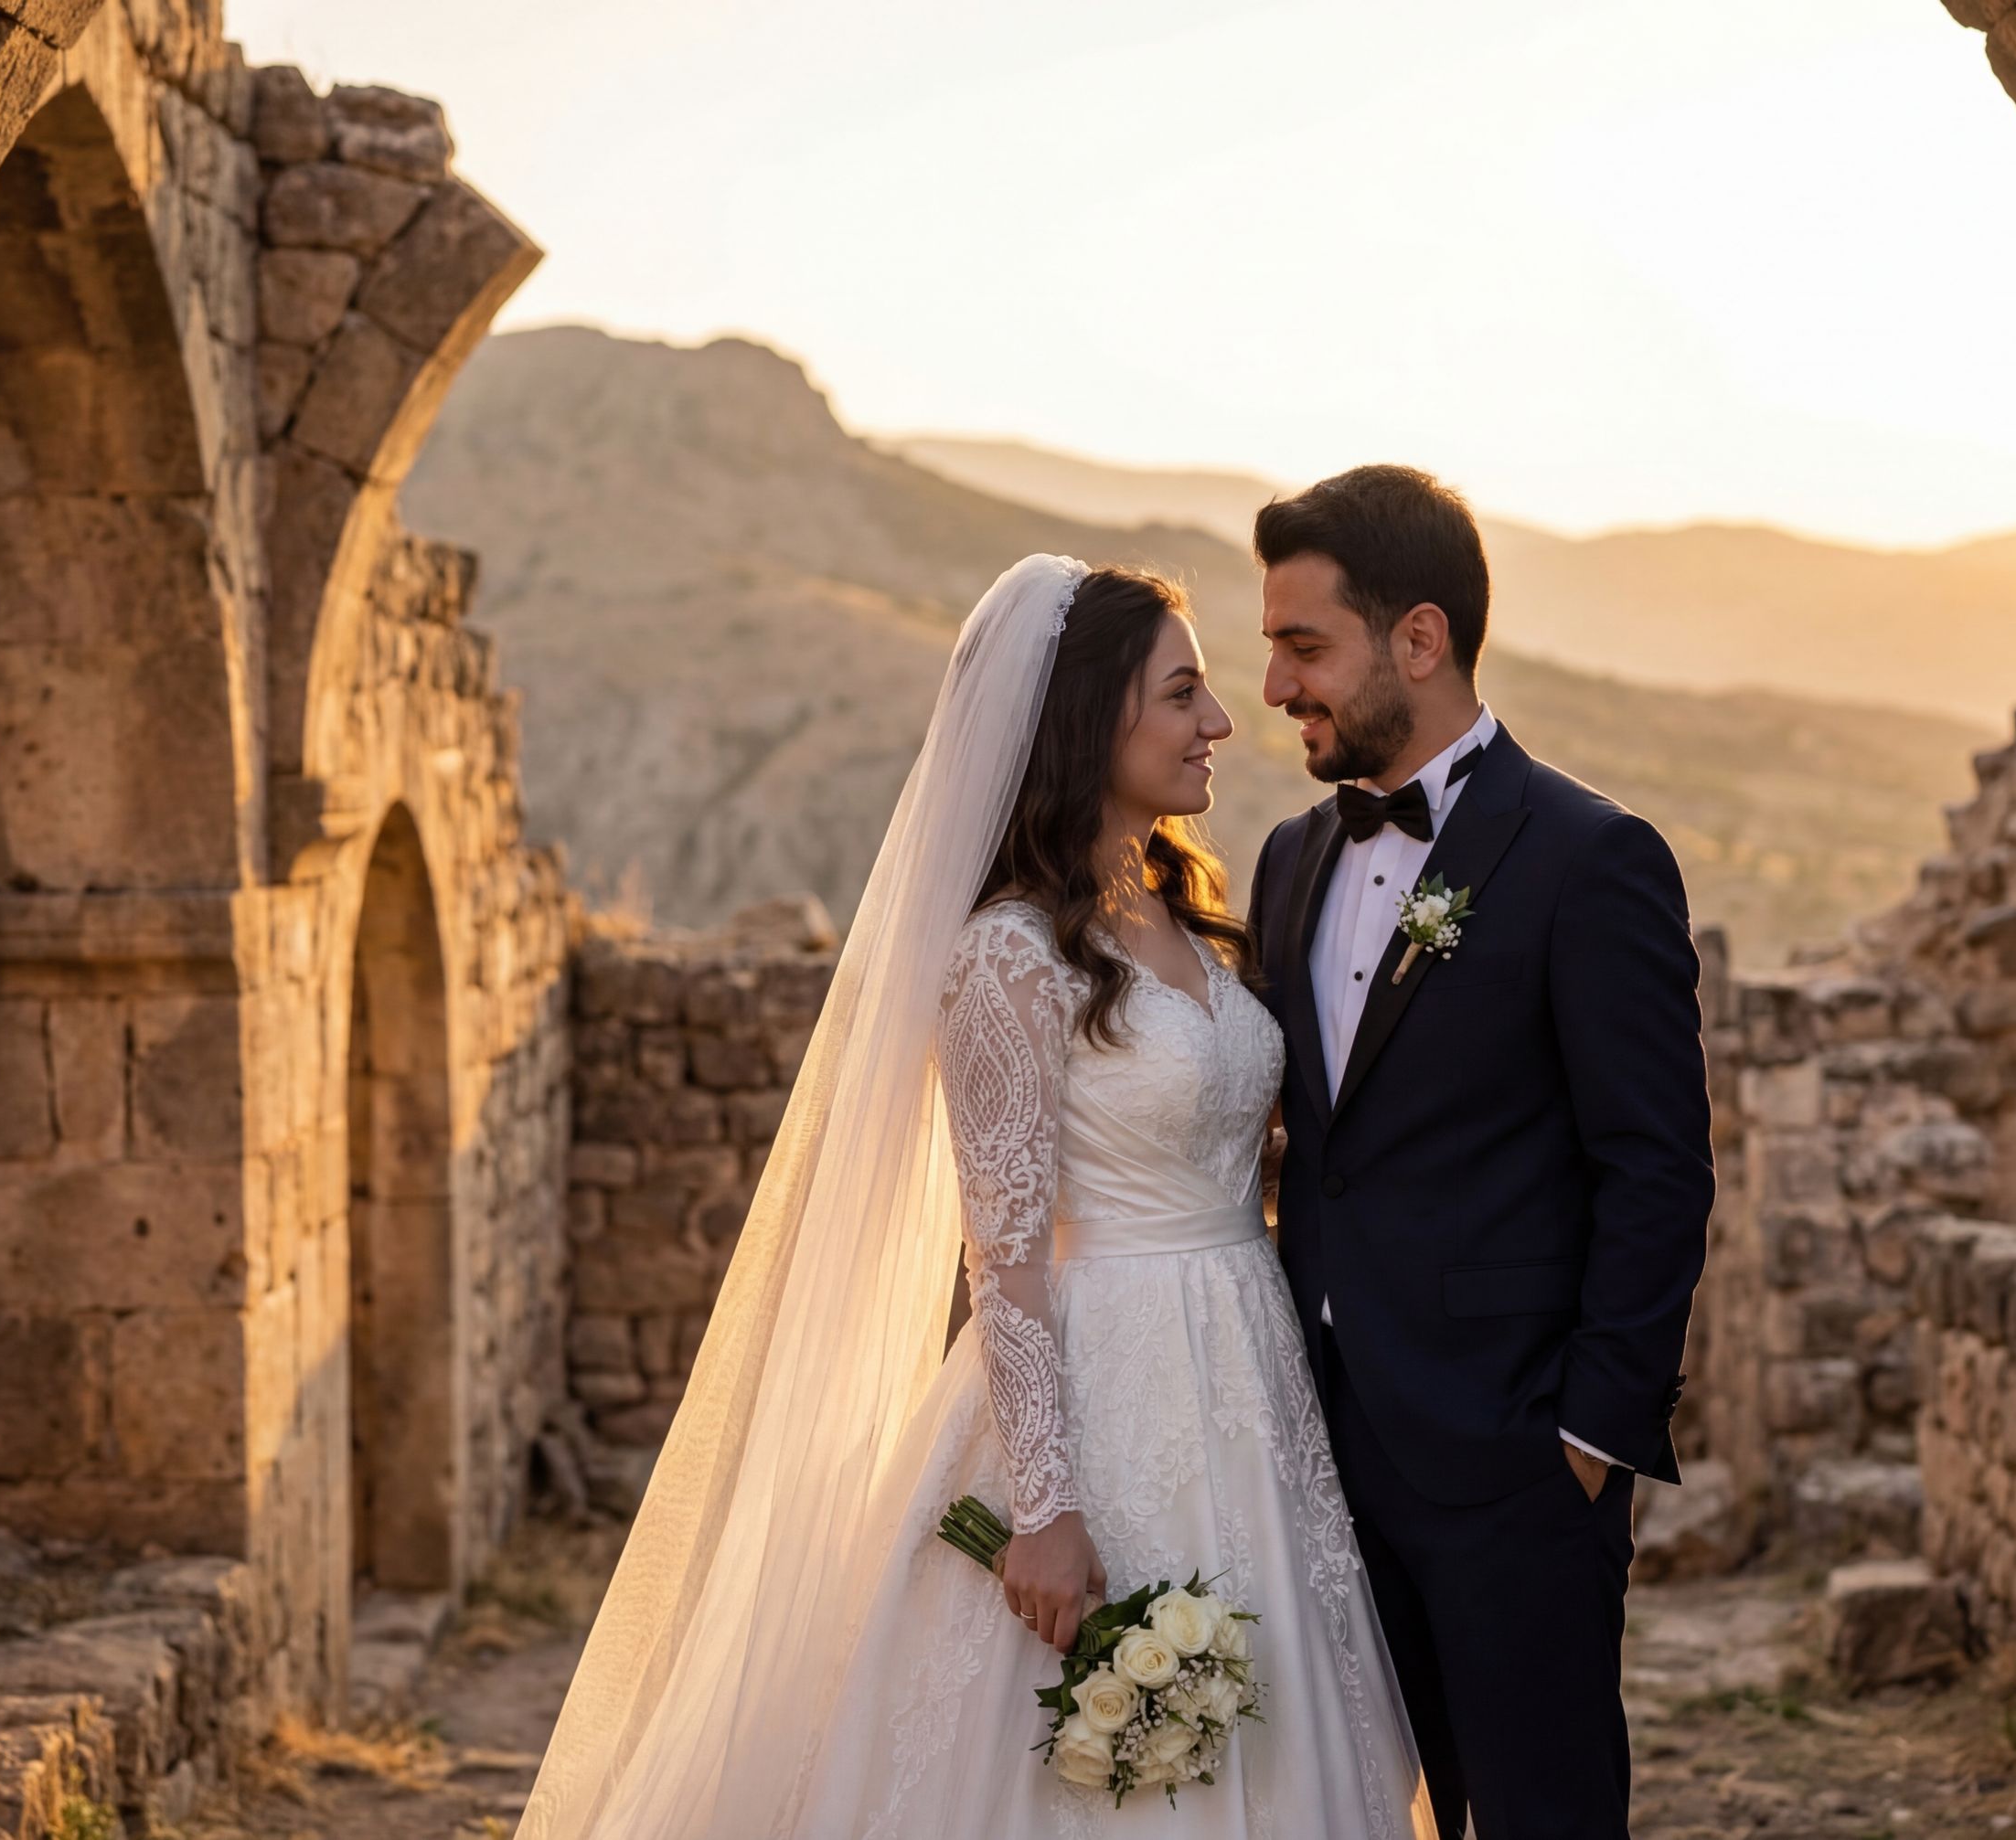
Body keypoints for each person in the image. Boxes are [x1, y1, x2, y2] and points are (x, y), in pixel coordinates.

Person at [520, 556, 1432, 1837]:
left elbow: (1228, 1137)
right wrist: (1049, 1508)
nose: (1220, 724)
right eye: (1183, 694)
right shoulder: (1006, 952)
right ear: (1085, 719)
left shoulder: (1187, 907)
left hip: (1252, 1369)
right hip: (1106, 1382)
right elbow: (1001, 1256)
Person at [1247, 465, 1715, 1840]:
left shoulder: (1589, 856)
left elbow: (1658, 1168)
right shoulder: (1286, 859)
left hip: (1514, 1471)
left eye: (1303, 645)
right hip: (1314, 1461)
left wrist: (1583, 1441)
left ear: (1419, 638)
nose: (1275, 687)